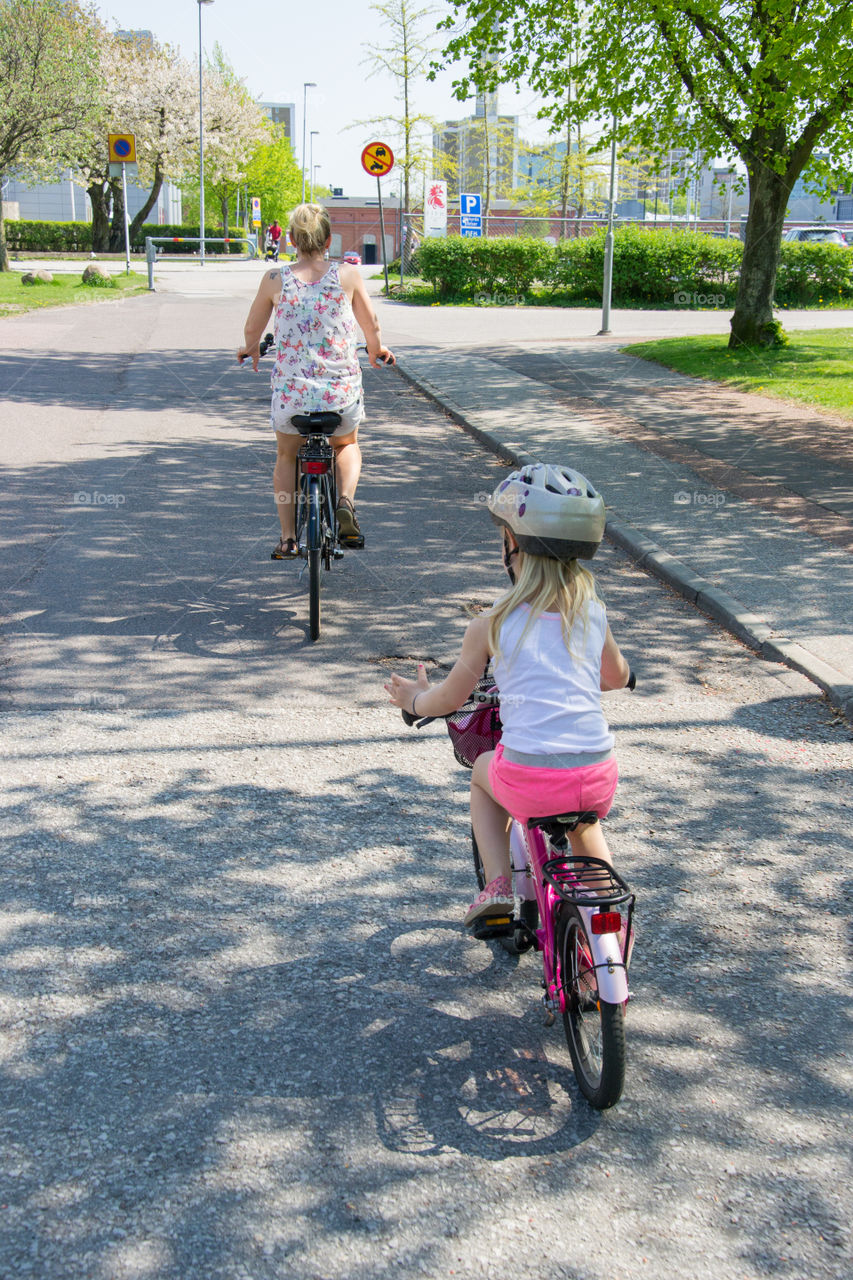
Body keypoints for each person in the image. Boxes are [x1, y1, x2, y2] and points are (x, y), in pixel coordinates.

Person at [384, 464, 632, 926]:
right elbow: (615, 677)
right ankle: (608, 920)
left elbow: (449, 700)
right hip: (597, 774)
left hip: (529, 778)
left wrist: (414, 701)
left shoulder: (491, 624)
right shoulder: (592, 614)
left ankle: (497, 885)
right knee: (584, 824)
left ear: (513, 544)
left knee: (483, 773)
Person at [237, 203, 395, 557]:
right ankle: (345, 503)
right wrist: (376, 350)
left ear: (291, 239)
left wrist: (251, 350)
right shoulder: (349, 276)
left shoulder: (275, 279)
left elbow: (252, 329)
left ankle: (289, 538)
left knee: (286, 455)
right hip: (339, 395)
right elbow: (371, 325)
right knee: (345, 445)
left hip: (293, 397)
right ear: (327, 240)